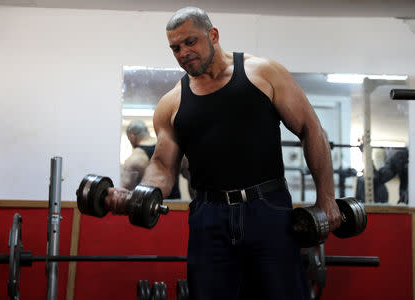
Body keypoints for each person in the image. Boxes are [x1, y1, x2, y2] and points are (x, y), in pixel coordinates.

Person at [107, 7, 341, 300]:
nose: (183, 52)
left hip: (267, 207)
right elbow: (163, 165)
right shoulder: (171, 103)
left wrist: (326, 197)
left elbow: (312, 129)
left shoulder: (263, 73)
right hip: (209, 215)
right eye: (175, 48)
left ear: (213, 35)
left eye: (190, 42)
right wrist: (140, 194)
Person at [121, 119, 181, 199]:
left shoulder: (135, 158)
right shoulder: (170, 148)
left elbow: (126, 190)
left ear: (132, 137)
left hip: (150, 207)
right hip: (175, 205)